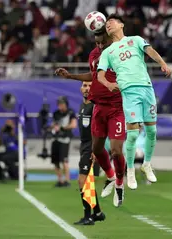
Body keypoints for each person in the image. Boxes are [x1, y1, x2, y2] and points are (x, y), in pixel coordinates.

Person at [97, 14, 172, 190]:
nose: (108, 25)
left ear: (121, 24)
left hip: (146, 88)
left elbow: (150, 50)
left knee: (152, 131)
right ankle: (130, 169)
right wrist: (108, 84)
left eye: (112, 22)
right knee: (132, 134)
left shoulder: (136, 40)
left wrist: (162, 63)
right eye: (106, 23)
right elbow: (100, 74)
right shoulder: (107, 51)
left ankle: (146, 164)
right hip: (129, 91)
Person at [55, 29, 126, 207]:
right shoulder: (94, 55)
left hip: (117, 107)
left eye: (103, 43)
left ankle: (117, 185)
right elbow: (94, 76)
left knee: (115, 152)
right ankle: (107, 184)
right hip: (98, 113)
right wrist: (71, 75)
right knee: (95, 153)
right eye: (97, 43)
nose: (100, 46)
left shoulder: (120, 52)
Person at [74, 81, 105, 225]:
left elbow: (101, 129)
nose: (86, 88)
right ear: (81, 88)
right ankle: (97, 213)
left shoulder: (96, 106)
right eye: (84, 85)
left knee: (83, 181)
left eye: (89, 86)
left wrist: (96, 149)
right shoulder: (83, 106)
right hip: (85, 146)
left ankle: (88, 216)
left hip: (92, 147)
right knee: (87, 182)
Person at [51, 97, 77, 187]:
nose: (60, 106)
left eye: (62, 104)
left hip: (65, 139)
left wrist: (63, 128)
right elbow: (54, 124)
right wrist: (51, 128)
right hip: (55, 139)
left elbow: (74, 125)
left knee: (64, 160)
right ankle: (60, 180)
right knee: (55, 161)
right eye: (59, 104)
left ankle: (67, 180)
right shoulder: (56, 113)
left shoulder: (70, 113)